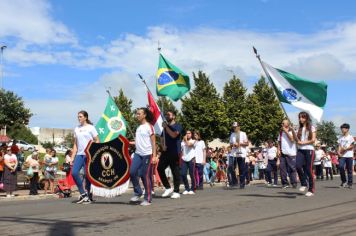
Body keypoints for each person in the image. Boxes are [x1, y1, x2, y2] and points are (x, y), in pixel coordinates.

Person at [71, 110, 99, 204]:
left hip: (89, 154)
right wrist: (72, 157)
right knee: (74, 173)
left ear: (85, 117)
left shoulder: (91, 128)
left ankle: (89, 196)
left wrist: (95, 152)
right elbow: (75, 144)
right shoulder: (76, 128)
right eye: (78, 116)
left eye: (81, 116)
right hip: (79, 154)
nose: (79, 118)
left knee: (88, 176)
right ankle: (83, 194)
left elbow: (97, 140)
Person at [129, 108, 156, 206]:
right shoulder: (138, 128)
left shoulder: (150, 127)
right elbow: (138, 142)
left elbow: (153, 143)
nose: (137, 115)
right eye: (136, 114)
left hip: (147, 154)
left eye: (138, 114)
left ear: (144, 115)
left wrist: (154, 156)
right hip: (138, 153)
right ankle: (138, 192)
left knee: (145, 175)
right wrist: (128, 143)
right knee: (132, 172)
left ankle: (148, 198)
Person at [157, 110, 183, 199]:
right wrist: (162, 145)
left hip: (175, 152)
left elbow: (174, 135)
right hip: (166, 152)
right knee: (159, 168)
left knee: (175, 171)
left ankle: (176, 191)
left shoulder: (178, 126)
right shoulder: (165, 128)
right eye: (166, 115)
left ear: (174, 116)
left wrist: (166, 126)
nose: (167, 116)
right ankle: (168, 187)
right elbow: (161, 137)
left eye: (169, 115)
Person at [296, 112, 316, 197]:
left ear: (306, 118)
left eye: (303, 117)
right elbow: (295, 140)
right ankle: (304, 183)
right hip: (301, 150)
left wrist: (303, 142)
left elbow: (313, 140)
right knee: (297, 166)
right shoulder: (298, 129)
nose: (301, 119)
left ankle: (311, 189)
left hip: (309, 150)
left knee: (308, 170)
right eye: (300, 117)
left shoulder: (312, 127)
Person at [277, 119, 298, 189]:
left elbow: (292, 140)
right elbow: (279, 142)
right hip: (283, 153)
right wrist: (278, 150)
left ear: (287, 124)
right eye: (282, 123)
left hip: (291, 153)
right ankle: (285, 183)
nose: (282, 124)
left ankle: (294, 182)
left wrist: (286, 131)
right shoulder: (280, 133)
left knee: (292, 168)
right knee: (282, 169)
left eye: (283, 123)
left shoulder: (292, 131)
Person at [229, 122, 249, 189]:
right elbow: (230, 144)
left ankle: (242, 184)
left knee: (241, 169)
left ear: (239, 127)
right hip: (234, 153)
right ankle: (234, 181)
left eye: (236, 127)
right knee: (231, 167)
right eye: (233, 127)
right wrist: (233, 145)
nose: (234, 128)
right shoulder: (232, 135)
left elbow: (247, 143)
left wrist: (240, 144)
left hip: (241, 153)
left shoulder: (243, 134)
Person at [337, 123, 354, 188]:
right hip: (342, 155)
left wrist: (345, 149)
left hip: (349, 155)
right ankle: (344, 181)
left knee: (349, 169)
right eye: (341, 128)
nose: (342, 130)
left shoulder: (351, 137)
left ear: (347, 129)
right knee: (341, 167)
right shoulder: (340, 137)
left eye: (343, 128)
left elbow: (352, 146)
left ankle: (350, 183)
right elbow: (339, 145)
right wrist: (338, 152)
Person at [180, 130, 196, 195]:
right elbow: (181, 150)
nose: (187, 134)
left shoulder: (193, 141)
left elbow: (189, 145)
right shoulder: (182, 142)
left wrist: (185, 140)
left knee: (192, 174)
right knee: (183, 174)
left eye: (189, 133)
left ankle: (192, 188)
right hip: (184, 159)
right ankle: (187, 188)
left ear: (191, 134)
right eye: (186, 133)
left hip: (191, 159)